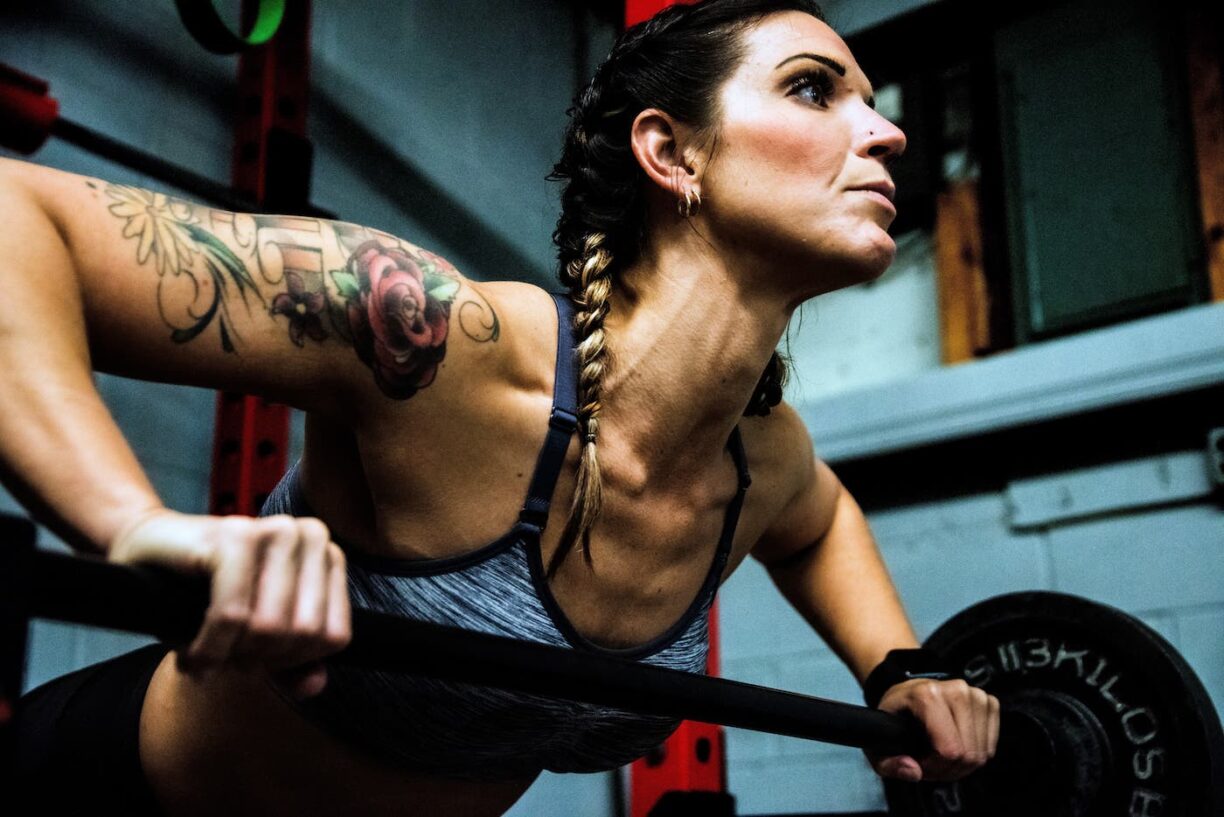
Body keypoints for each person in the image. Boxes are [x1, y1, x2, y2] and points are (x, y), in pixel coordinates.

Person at [2, 1, 1000, 815]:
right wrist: (135, 527)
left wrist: (899, 671)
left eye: (872, 102)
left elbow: (819, 517)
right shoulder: (446, 343)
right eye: (814, 89)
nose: (887, 130)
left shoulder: (760, 463)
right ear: (671, 152)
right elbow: (16, 219)